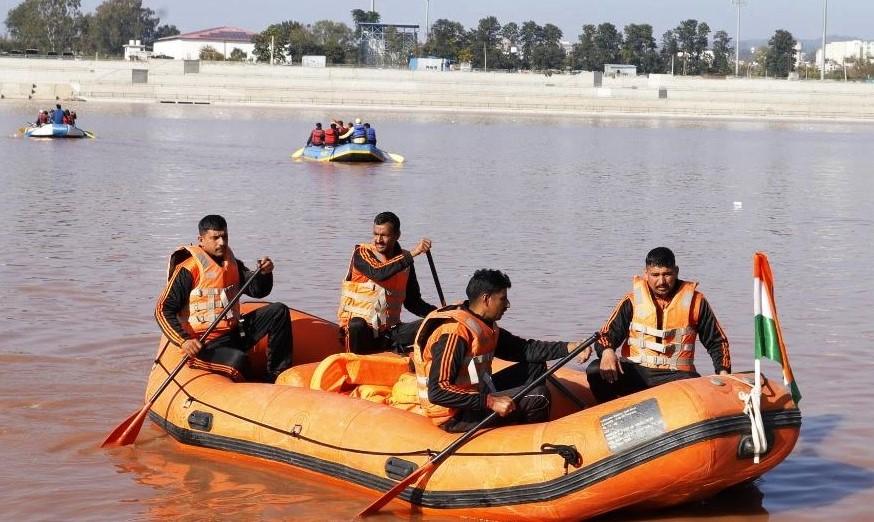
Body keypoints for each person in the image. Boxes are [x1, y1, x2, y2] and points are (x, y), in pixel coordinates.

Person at [412, 269, 593, 433]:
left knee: (536, 366)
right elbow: (438, 391)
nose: (507, 305)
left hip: (478, 394)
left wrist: (570, 347)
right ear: (486, 299)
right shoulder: (454, 333)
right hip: (454, 413)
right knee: (539, 395)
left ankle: (516, 419)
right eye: (503, 299)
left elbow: (525, 349)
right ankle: (531, 440)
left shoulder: (483, 325)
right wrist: (490, 401)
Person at [155, 214, 293, 383]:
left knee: (278, 311)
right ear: (201, 240)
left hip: (235, 333)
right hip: (204, 344)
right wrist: (184, 341)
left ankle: (277, 375)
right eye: (215, 238)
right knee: (239, 360)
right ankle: (254, 390)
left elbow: (257, 291)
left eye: (224, 236)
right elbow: (162, 309)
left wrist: (265, 273)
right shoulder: (188, 269)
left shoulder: (232, 263)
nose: (221, 242)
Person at [585, 247, 731, 403]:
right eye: (655, 275)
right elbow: (605, 335)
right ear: (646, 273)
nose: (661, 282)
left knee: (696, 392)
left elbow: (717, 341)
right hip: (636, 372)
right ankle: (611, 411)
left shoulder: (696, 301)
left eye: (667, 274)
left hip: (677, 376)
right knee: (595, 370)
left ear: (676, 271)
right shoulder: (631, 301)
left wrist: (723, 373)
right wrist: (607, 351)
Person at [337, 211, 436, 355]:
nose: (378, 240)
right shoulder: (362, 253)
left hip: (389, 333)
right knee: (356, 324)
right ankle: (356, 361)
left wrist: (438, 313)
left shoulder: (405, 263)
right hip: (361, 333)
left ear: (397, 235)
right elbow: (379, 272)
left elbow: (413, 303)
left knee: (432, 324)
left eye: (384, 235)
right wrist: (413, 253)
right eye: (376, 234)